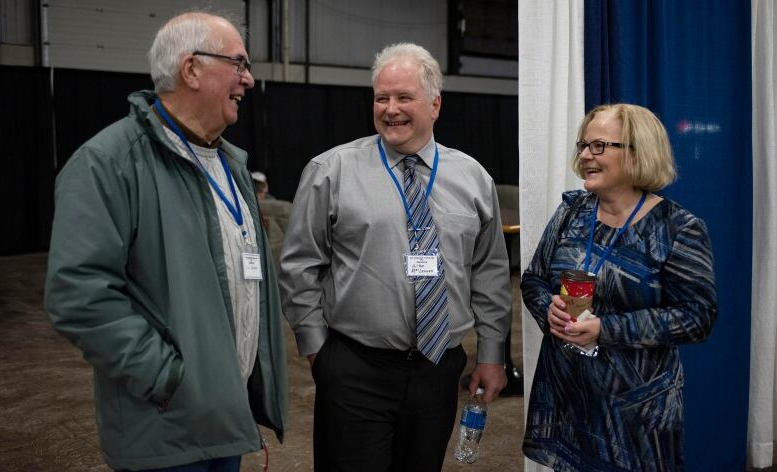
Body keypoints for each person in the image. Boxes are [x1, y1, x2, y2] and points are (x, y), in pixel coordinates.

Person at [44, 11, 288, 471]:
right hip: (165, 429)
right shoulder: (108, 163)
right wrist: (169, 378)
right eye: (238, 63)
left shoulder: (231, 164)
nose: (249, 80)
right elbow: (78, 295)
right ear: (191, 69)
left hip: (224, 418)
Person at [278, 42, 511, 471]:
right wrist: (318, 352)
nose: (390, 109)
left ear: (435, 104)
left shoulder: (473, 178)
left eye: (404, 97)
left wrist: (492, 354)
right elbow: (299, 266)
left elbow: (491, 272)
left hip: (438, 367)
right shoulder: (331, 170)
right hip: (354, 367)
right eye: (381, 97)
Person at [521, 103, 717, 470]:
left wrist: (605, 330)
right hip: (569, 398)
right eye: (583, 145)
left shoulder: (678, 229)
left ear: (637, 153)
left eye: (598, 146)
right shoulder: (572, 212)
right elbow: (533, 278)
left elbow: (697, 317)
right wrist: (547, 308)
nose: (584, 156)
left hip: (635, 413)